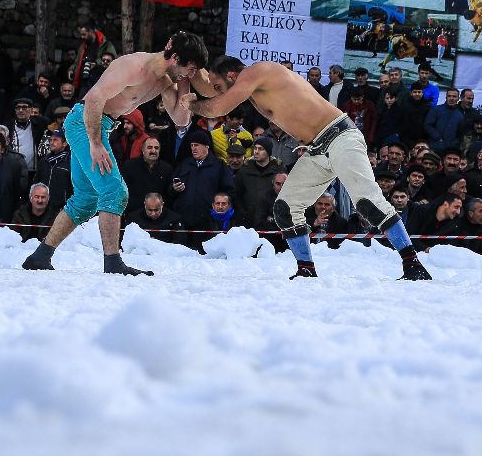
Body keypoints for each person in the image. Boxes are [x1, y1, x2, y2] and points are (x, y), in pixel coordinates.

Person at [181, 57, 432, 280]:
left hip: (341, 136)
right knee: (285, 209)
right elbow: (210, 89)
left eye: (218, 86)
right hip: (317, 149)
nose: (216, 91)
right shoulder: (250, 85)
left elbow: (219, 106)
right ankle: (306, 269)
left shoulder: (256, 72)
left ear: (232, 76)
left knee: (368, 203)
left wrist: (191, 105)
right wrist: (187, 75)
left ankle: (413, 264)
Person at [23, 30, 208, 275]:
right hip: (86, 122)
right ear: (175, 57)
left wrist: (185, 89)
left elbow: (181, 120)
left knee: (86, 200)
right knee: (115, 192)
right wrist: (96, 143)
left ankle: (40, 256)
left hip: (100, 126)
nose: (192, 75)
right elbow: (94, 99)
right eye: (191, 69)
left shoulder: (167, 80)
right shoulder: (133, 66)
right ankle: (112, 262)